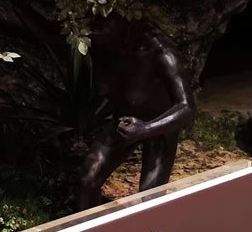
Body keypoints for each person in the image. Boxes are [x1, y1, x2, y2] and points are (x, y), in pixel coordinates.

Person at [77, 18, 194, 209]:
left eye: (102, 23)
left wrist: (146, 128)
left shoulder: (161, 52)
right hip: (123, 121)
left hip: (159, 126)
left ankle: (151, 228)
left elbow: (187, 107)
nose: (94, 30)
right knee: (88, 179)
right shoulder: (101, 45)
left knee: (150, 198)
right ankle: (90, 226)